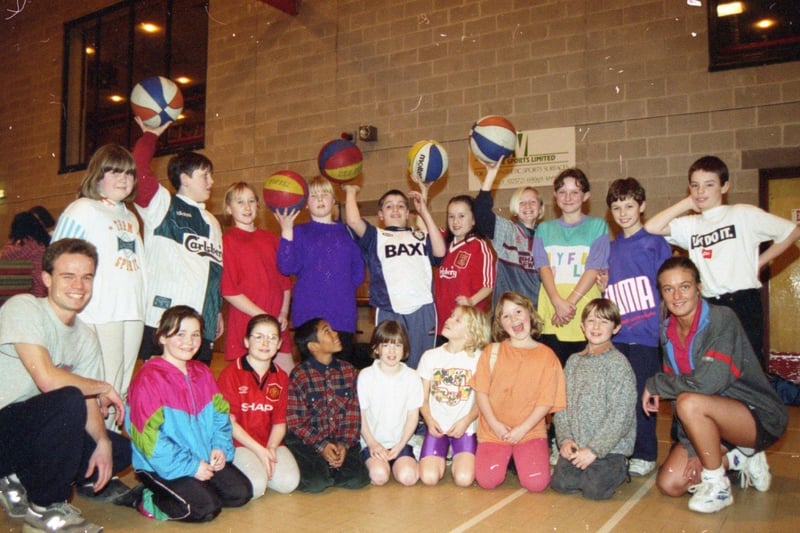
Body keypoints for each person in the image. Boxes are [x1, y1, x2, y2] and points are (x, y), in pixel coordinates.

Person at [0, 238, 134, 532]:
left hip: (32, 431)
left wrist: (102, 441)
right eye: (68, 276)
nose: (79, 285)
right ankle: (44, 509)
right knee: (67, 397)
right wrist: (101, 386)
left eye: (87, 277)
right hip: (5, 427)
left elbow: (87, 400)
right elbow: (48, 380)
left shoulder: (85, 336)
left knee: (120, 450)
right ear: (47, 279)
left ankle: (18, 477)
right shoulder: (24, 307)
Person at [643, 257, 788, 514]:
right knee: (671, 483)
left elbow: (709, 383)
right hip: (707, 415)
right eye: (668, 289)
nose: (677, 295)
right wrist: (697, 447)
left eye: (684, 286)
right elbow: (679, 395)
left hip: (757, 416)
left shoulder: (722, 318)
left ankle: (718, 485)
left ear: (699, 287)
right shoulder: (667, 331)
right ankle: (740, 457)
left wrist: (656, 384)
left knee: (691, 400)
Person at [644, 155, 800, 368]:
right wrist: (688, 202)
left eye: (709, 185)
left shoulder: (742, 214)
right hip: (709, 304)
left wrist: (760, 261)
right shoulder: (690, 224)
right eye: (695, 186)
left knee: (747, 366)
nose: (701, 191)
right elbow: (651, 227)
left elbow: (791, 232)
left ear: (725, 186)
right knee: (713, 366)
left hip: (742, 301)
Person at [51, 144, 146, 430]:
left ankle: (111, 450)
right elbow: (57, 258)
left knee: (122, 385)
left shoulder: (130, 215)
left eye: (128, 173)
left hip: (132, 310)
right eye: (114, 172)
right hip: (101, 311)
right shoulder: (82, 209)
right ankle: (91, 456)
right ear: (97, 175)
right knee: (103, 385)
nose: (123, 179)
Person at [127, 305, 251, 521]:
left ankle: (193, 487)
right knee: (205, 509)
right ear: (163, 336)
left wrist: (219, 447)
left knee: (240, 493)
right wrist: (192, 467)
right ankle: (147, 499)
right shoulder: (148, 379)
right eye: (180, 334)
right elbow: (150, 440)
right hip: (159, 464)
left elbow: (220, 416)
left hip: (200, 455)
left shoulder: (202, 372)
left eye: (195, 335)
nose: (189, 341)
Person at [132, 118, 223, 365]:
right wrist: (150, 136)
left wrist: (217, 312)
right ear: (184, 178)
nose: (211, 182)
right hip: (162, 320)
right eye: (205, 175)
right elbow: (137, 168)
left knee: (194, 394)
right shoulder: (162, 205)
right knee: (159, 393)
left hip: (201, 325)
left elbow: (214, 272)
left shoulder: (213, 222)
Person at [597, 177, 672, 477]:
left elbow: (667, 287)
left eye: (629, 206)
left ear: (642, 206)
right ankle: (622, 449)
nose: (623, 212)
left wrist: (664, 329)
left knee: (644, 394)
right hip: (618, 335)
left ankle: (645, 453)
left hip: (645, 335)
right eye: (616, 207)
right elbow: (612, 292)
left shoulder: (656, 243)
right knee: (619, 397)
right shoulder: (609, 248)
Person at [470, 291, 566, 492]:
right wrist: (495, 425)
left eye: (518, 311)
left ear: (530, 314)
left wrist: (522, 430)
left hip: (529, 431)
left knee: (537, 483)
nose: (514, 319)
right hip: (494, 431)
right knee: (487, 481)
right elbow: (481, 393)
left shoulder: (547, 356)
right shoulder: (491, 352)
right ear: (500, 324)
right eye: (506, 316)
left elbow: (546, 402)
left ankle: (520, 456)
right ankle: (509, 457)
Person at [344, 185, 446, 369]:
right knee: (389, 365)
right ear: (381, 214)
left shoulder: (420, 236)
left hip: (422, 308)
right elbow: (353, 220)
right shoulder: (376, 236)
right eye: (389, 206)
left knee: (423, 366)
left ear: (408, 213)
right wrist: (351, 192)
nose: (395, 209)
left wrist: (424, 212)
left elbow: (440, 253)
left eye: (401, 206)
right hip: (390, 309)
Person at [551, 299, 637, 500]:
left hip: (609, 449)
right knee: (561, 483)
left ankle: (619, 465)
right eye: (591, 321)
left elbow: (620, 416)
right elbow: (562, 405)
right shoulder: (573, 362)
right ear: (582, 326)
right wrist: (565, 439)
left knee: (595, 490)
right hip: (578, 445)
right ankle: (586, 469)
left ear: (616, 328)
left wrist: (594, 450)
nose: (596, 327)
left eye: (604, 322)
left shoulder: (618, 365)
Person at [275, 176, 365, 364]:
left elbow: (358, 272)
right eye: (314, 196)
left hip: (342, 316)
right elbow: (286, 267)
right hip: (308, 316)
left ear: (333, 200)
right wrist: (286, 231)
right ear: (306, 203)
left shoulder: (348, 232)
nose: (321, 199)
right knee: (312, 376)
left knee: (341, 375)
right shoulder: (298, 232)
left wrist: (339, 290)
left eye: (325, 194)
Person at [216, 314, 300, 497]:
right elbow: (229, 423)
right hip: (239, 444)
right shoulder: (230, 374)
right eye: (259, 337)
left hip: (269, 441)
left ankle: (261, 466)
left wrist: (270, 449)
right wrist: (259, 452)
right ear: (247, 341)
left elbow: (279, 422)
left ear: (279, 345)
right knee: (256, 487)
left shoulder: (281, 377)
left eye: (272, 338)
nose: (265, 343)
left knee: (289, 483)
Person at [533, 167, 610, 367]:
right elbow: (543, 268)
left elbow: (593, 268)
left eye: (575, 192)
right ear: (555, 195)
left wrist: (569, 304)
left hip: (585, 313)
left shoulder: (597, 226)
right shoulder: (543, 229)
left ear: (586, 196)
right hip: (552, 313)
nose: (568, 197)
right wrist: (558, 302)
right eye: (562, 192)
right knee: (555, 378)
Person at [284, 318, 370, 493]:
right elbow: (296, 422)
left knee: (358, 479)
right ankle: (324, 469)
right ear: (313, 346)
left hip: (339, 439)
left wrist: (344, 444)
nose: (335, 333)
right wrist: (321, 445)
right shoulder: (299, 375)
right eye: (327, 331)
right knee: (316, 484)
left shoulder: (348, 370)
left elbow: (352, 414)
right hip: (309, 441)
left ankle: (330, 466)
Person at [221, 182, 293, 371]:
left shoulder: (271, 238)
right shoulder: (227, 241)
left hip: (277, 323)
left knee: (286, 379)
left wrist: (284, 312)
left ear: (258, 206)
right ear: (228, 209)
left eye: (251, 201)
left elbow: (285, 282)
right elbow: (229, 291)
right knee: (246, 385)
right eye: (240, 202)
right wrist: (262, 316)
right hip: (247, 321)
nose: (247, 207)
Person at [417, 305, 491, 487]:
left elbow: (481, 400)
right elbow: (422, 397)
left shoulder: (479, 359)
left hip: (464, 429)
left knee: (464, 480)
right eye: (451, 315)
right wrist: (428, 419)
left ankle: (457, 455)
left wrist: (466, 420)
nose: (449, 319)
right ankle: (431, 449)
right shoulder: (430, 356)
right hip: (437, 428)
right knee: (429, 478)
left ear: (470, 334)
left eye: (457, 319)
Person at [358, 320, 424, 486]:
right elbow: (361, 415)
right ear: (376, 348)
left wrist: (401, 444)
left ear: (405, 349)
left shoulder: (412, 376)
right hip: (373, 442)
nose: (392, 351)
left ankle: (407, 458)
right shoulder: (366, 376)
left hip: (401, 442)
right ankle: (375, 463)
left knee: (408, 477)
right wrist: (372, 444)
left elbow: (412, 415)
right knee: (379, 476)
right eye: (386, 345)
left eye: (398, 345)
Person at [474, 157, 544, 307]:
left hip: (538, 314)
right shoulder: (507, 231)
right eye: (522, 202)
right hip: (507, 314)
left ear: (540, 208)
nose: (527, 206)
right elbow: (480, 213)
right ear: (515, 207)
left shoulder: (548, 236)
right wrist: (491, 175)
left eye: (532, 201)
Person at [434, 195, 495, 344]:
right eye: (451, 216)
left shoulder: (479, 246)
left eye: (462, 216)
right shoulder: (443, 242)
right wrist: (424, 195)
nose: (455, 222)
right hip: (442, 324)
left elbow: (489, 285)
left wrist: (471, 301)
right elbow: (424, 226)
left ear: (473, 220)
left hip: (467, 326)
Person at [0, 210, 50, 297]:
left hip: (28, 291)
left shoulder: (23, 244)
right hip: (40, 287)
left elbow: (5, 255)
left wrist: (12, 241)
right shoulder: (39, 243)